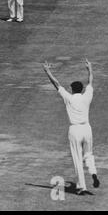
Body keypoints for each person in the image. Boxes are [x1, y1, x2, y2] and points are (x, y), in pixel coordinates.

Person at [43, 59, 100, 195]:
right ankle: (93, 173)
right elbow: (90, 82)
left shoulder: (69, 97)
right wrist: (89, 68)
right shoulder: (87, 96)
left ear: (72, 89)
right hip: (87, 128)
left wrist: (47, 70)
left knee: (77, 158)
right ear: (81, 89)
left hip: (74, 130)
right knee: (89, 154)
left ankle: (82, 187)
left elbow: (56, 84)